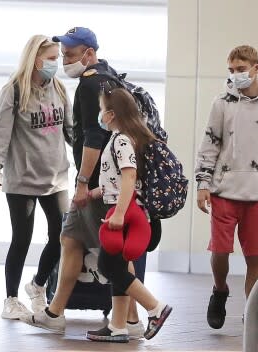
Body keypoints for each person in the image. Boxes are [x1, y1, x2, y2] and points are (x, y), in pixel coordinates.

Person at [22, 27, 146, 336]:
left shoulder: (92, 85)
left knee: (114, 253)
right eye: (62, 55)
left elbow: (93, 137)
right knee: (70, 239)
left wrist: (82, 183)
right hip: (103, 182)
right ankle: (55, 312)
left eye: (70, 55)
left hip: (97, 185)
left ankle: (137, 317)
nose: (64, 61)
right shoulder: (110, 76)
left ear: (89, 53)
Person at [195, 45, 258, 329]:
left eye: (241, 70)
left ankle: (251, 313)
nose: (235, 75)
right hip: (223, 190)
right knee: (220, 251)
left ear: (257, 69)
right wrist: (202, 183)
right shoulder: (221, 102)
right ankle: (219, 291)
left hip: (257, 192)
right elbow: (210, 143)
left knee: (255, 256)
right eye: (231, 70)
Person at [0, 35, 71, 319]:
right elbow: (0, 134)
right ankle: (10, 300)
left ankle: (37, 285)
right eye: (52, 58)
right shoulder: (14, 90)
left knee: (63, 235)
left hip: (56, 177)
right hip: (22, 177)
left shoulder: (59, 88)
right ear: (37, 59)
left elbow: (71, 131)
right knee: (21, 238)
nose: (56, 63)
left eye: (57, 57)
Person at [85, 85, 172, 342]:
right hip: (119, 205)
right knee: (117, 266)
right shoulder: (121, 138)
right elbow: (116, 179)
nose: (100, 115)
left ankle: (155, 308)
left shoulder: (121, 139)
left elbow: (129, 176)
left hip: (124, 210)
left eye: (102, 110)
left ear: (111, 114)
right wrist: (96, 193)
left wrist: (119, 213)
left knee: (108, 265)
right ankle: (118, 326)